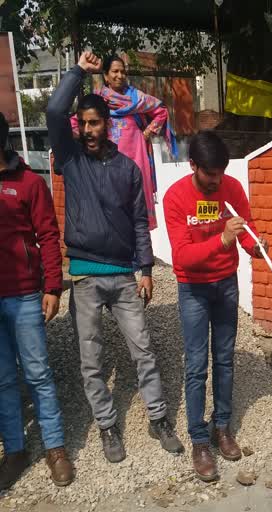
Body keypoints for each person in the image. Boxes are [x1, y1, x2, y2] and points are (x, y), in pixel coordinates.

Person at [47, 51, 182, 463]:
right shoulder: (70, 160)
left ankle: (158, 419)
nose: (88, 130)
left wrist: (145, 269)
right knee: (91, 360)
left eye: (95, 123)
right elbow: (55, 110)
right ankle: (107, 426)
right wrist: (78, 73)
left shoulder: (128, 169)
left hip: (125, 275)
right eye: (83, 123)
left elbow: (141, 222)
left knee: (143, 349)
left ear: (108, 125)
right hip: (85, 276)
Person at [163, 130, 267, 481]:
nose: (217, 181)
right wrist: (223, 238)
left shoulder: (231, 188)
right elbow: (183, 255)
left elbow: (246, 228)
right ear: (193, 165)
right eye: (210, 174)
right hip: (193, 288)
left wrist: (254, 246)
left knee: (224, 358)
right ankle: (198, 439)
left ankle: (222, 427)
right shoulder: (176, 197)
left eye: (220, 172)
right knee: (195, 365)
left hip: (225, 284)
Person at [0, 112, 75, 489]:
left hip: (25, 294)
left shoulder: (29, 183)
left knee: (38, 375)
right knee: (2, 379)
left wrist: (52, 287)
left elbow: (48, 235)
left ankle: (56, 449)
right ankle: (14, 451)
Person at [69, 54, 177, 231]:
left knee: (136, 211)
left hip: (136, 157)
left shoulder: (137, 98)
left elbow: (161, 111)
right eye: (115, 71)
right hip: (108, 160)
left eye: (123, 71)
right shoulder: (98, 100)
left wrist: (148, 132)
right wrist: (86, 139)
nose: (120, 75)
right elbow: (74, 122)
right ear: (105, 75)